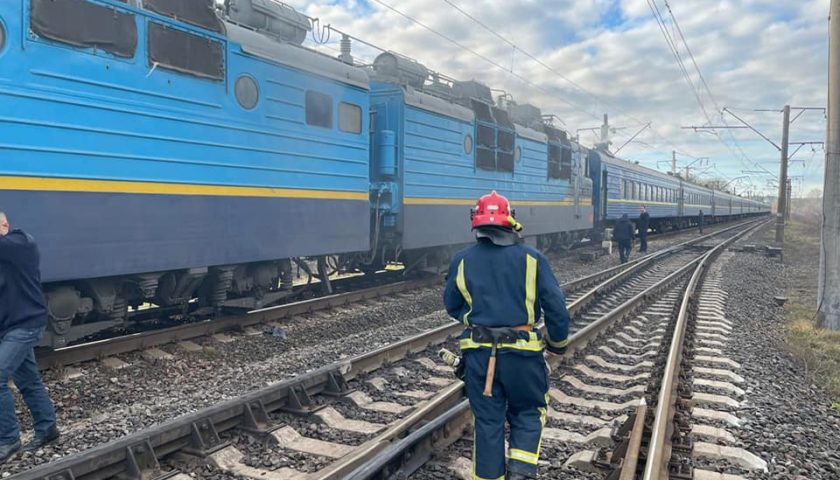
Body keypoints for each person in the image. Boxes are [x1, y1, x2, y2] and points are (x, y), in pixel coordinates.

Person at [443, 191, 570, 480]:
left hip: (478, 356)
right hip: (523, 357)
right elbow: (557, 309)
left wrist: (476, 320)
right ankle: (521, 473)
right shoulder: (533, 259)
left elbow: (452, 305)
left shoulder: (461, 261)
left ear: (476, 223)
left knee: (488, 422)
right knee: (528, 411)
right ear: (511, 222)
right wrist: (557, 345)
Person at [0, 212, 59, 464]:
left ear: (4, 225)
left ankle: (9, 440)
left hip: (26, 325)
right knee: (28, 380)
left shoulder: (22, 243)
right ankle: (48, 429)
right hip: (10, 327)